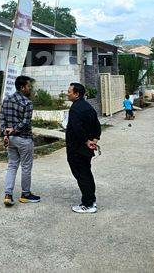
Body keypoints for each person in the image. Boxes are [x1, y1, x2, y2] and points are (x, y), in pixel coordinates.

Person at [0, 75, 40, 206]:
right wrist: (14, 130)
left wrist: (5, 134)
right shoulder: (27, 103)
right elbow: (26, 123)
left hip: (11, 139)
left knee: (12, 166)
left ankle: (8, 195)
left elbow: (2, 119)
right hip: (24, 139)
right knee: (26, 167)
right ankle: (25, 194)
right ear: (22, 87)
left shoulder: (6, 100)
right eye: (29, 86)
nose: (30, 88)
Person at [65, 82, 101, 214]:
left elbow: (77, 129)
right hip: (85, 149)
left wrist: (86, 141)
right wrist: (94, 140)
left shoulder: (75, 109)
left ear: (76, 94)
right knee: (86, 173)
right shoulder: (88, 107)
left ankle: (88, 204)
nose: (67, 93)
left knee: (82, 175)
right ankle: (91, 199)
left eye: (69, 92)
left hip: (77, 149)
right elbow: (97, 126)